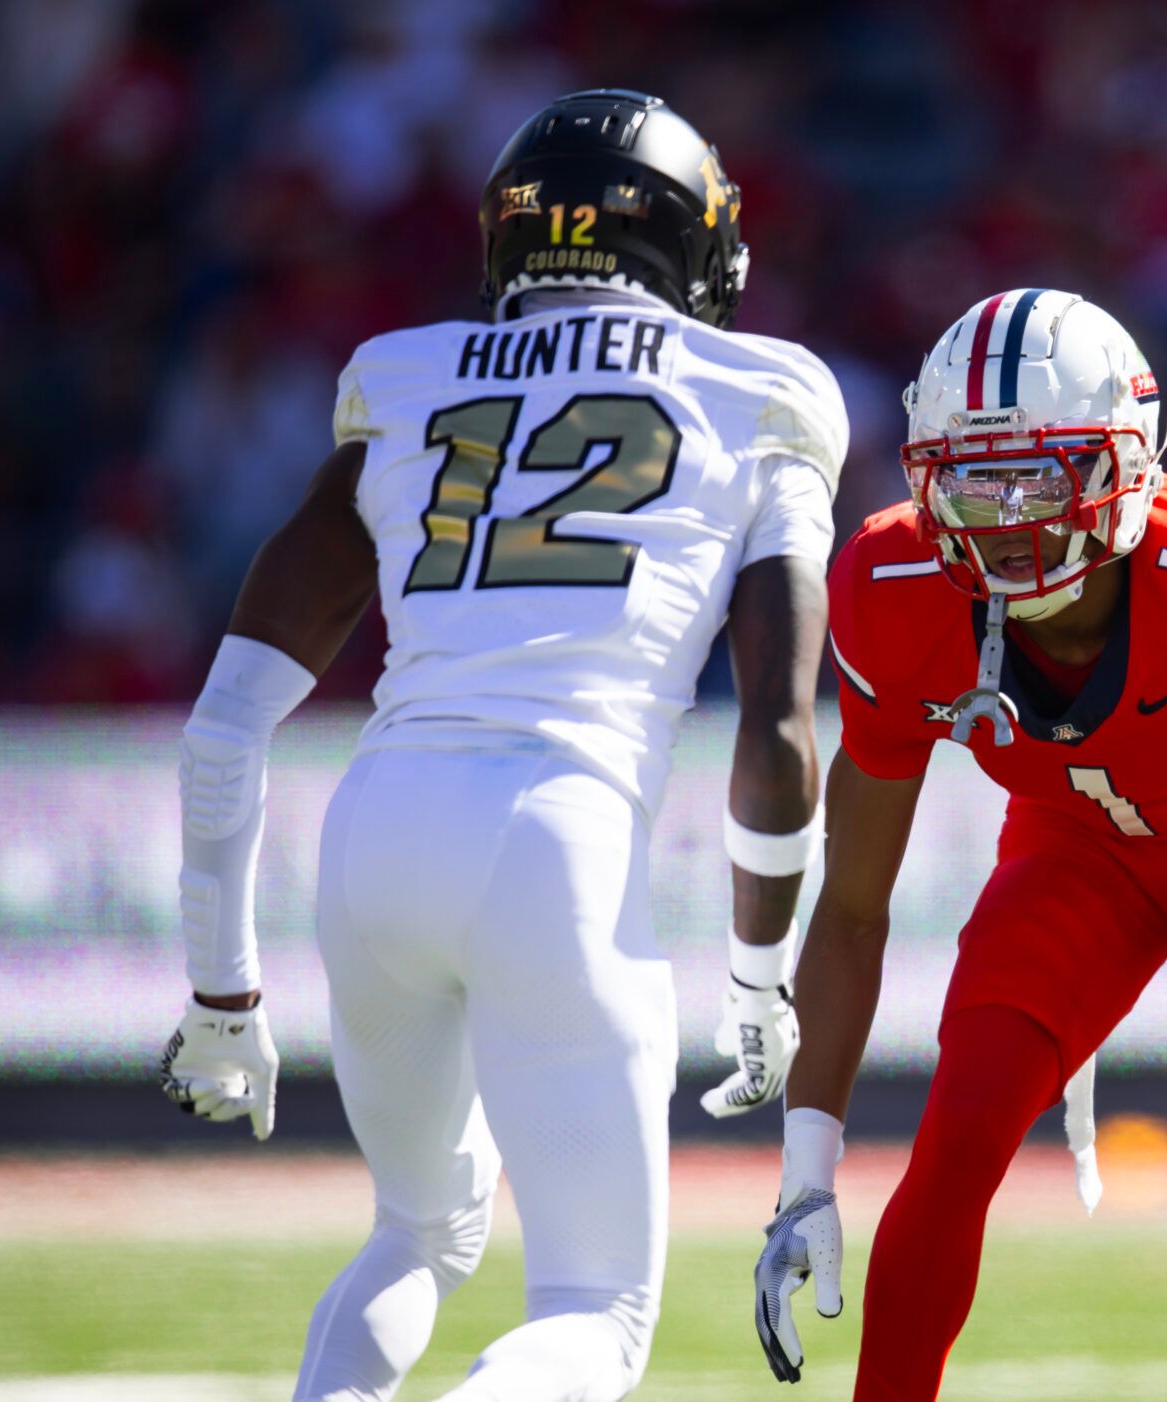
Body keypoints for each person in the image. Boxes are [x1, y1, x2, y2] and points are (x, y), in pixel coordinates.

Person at [155, 89, 844, 1402]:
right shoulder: (764, 391)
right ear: (691, 242)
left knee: (418, 1230)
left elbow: (224, 727)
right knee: (596, 1311)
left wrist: (221, 996)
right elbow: (777, 728)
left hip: (376, 832)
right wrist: (761, 982)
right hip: (558, 836)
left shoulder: (405, 377)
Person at [752, 290, 1167, 1401]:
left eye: (1037, 476)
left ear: (1122, 463)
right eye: (974, 478)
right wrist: (805, 1177)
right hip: (1073, 850)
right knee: (964, 1116)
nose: (1003, 518)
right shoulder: (892, 584)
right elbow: (853, 904)